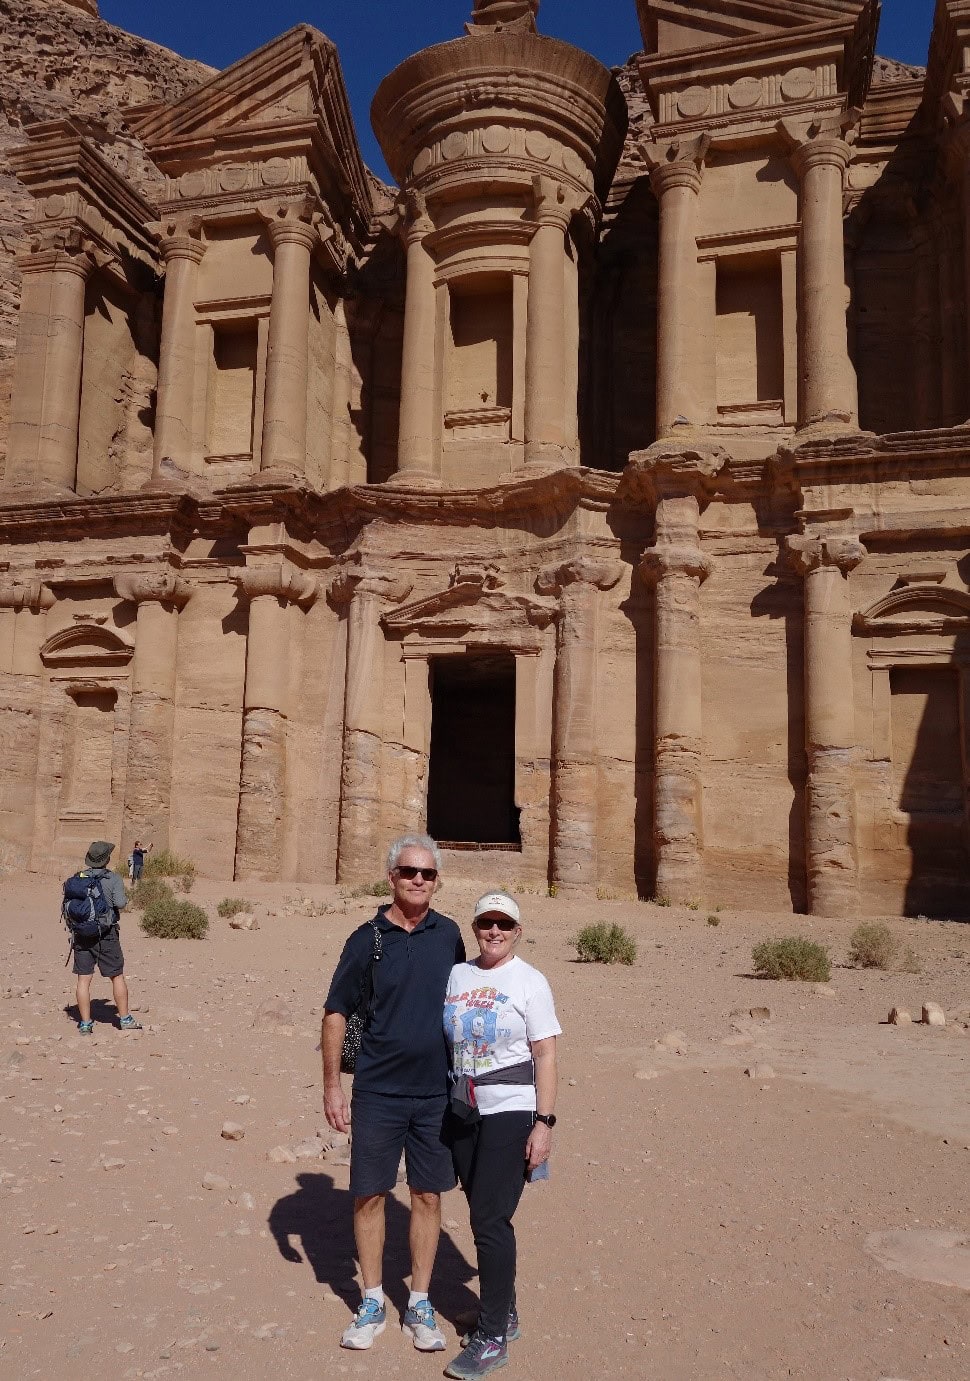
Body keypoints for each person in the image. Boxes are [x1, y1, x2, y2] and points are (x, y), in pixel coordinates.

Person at [322, 834, 465, 1353]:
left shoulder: (450, 935)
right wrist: (333, 1085)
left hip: (434, 1093)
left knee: (427, 1195)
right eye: (409, 872)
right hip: (378, 1090)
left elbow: (463, 1007)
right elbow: (336, 1010)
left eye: (427, 874)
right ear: (391, 876)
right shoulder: (365, 938)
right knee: (369, 1194)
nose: (418, 881)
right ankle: (373, 1298)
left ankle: (421, 1300)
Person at [442, 891, 560, 1379]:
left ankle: (492, 1339)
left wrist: (544, 1123)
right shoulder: (458, 975)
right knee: (477, 1205)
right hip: (463, 1107)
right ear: (475, 927)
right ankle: (503, 1312)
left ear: (518, 931)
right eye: (486, 923)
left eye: (504, 924)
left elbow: (546, 1055)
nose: (494, 931)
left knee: (491, 1219)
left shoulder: (530, 981)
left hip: (511, 1108)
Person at [71, 841, 142, 1035]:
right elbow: (120, 902)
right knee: (116, 976)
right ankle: (125, 1019)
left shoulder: (79, 877)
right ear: (106, 859)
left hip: (82, 934)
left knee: (83, 980)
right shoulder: (113, 878)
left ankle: (85, 1023)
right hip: (106, 933)